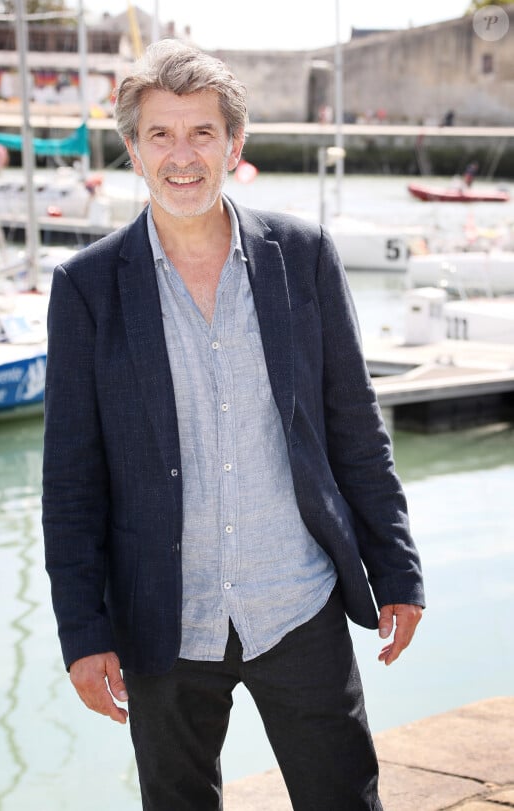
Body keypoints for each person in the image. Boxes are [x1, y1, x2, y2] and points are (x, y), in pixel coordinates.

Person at [42, 39, 425, 811]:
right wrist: (83, 631)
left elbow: (355, 426)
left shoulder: (305, 257)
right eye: (160, 134)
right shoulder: (85, 289)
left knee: (347, 799)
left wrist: (397, 566)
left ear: (234, 146)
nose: (182, 155)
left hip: (298, 601)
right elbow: (71, 479)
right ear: (132, 150)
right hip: (160, 621)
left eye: (202, 133)